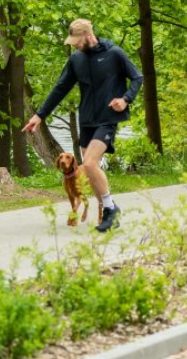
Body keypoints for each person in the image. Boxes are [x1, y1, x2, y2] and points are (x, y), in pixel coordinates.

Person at [22, 18, 143, 232]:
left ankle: (110, 209)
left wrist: (125, 99)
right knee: (90, 170)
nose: (75, 45)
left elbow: (137, 78)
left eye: (77, 41)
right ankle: (109, 211)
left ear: (88, 35)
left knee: (88, 163)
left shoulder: (114, 54)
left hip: (108, 117)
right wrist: (39, 116)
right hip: (86, 120)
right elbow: (60, 88)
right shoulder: (76, 59)